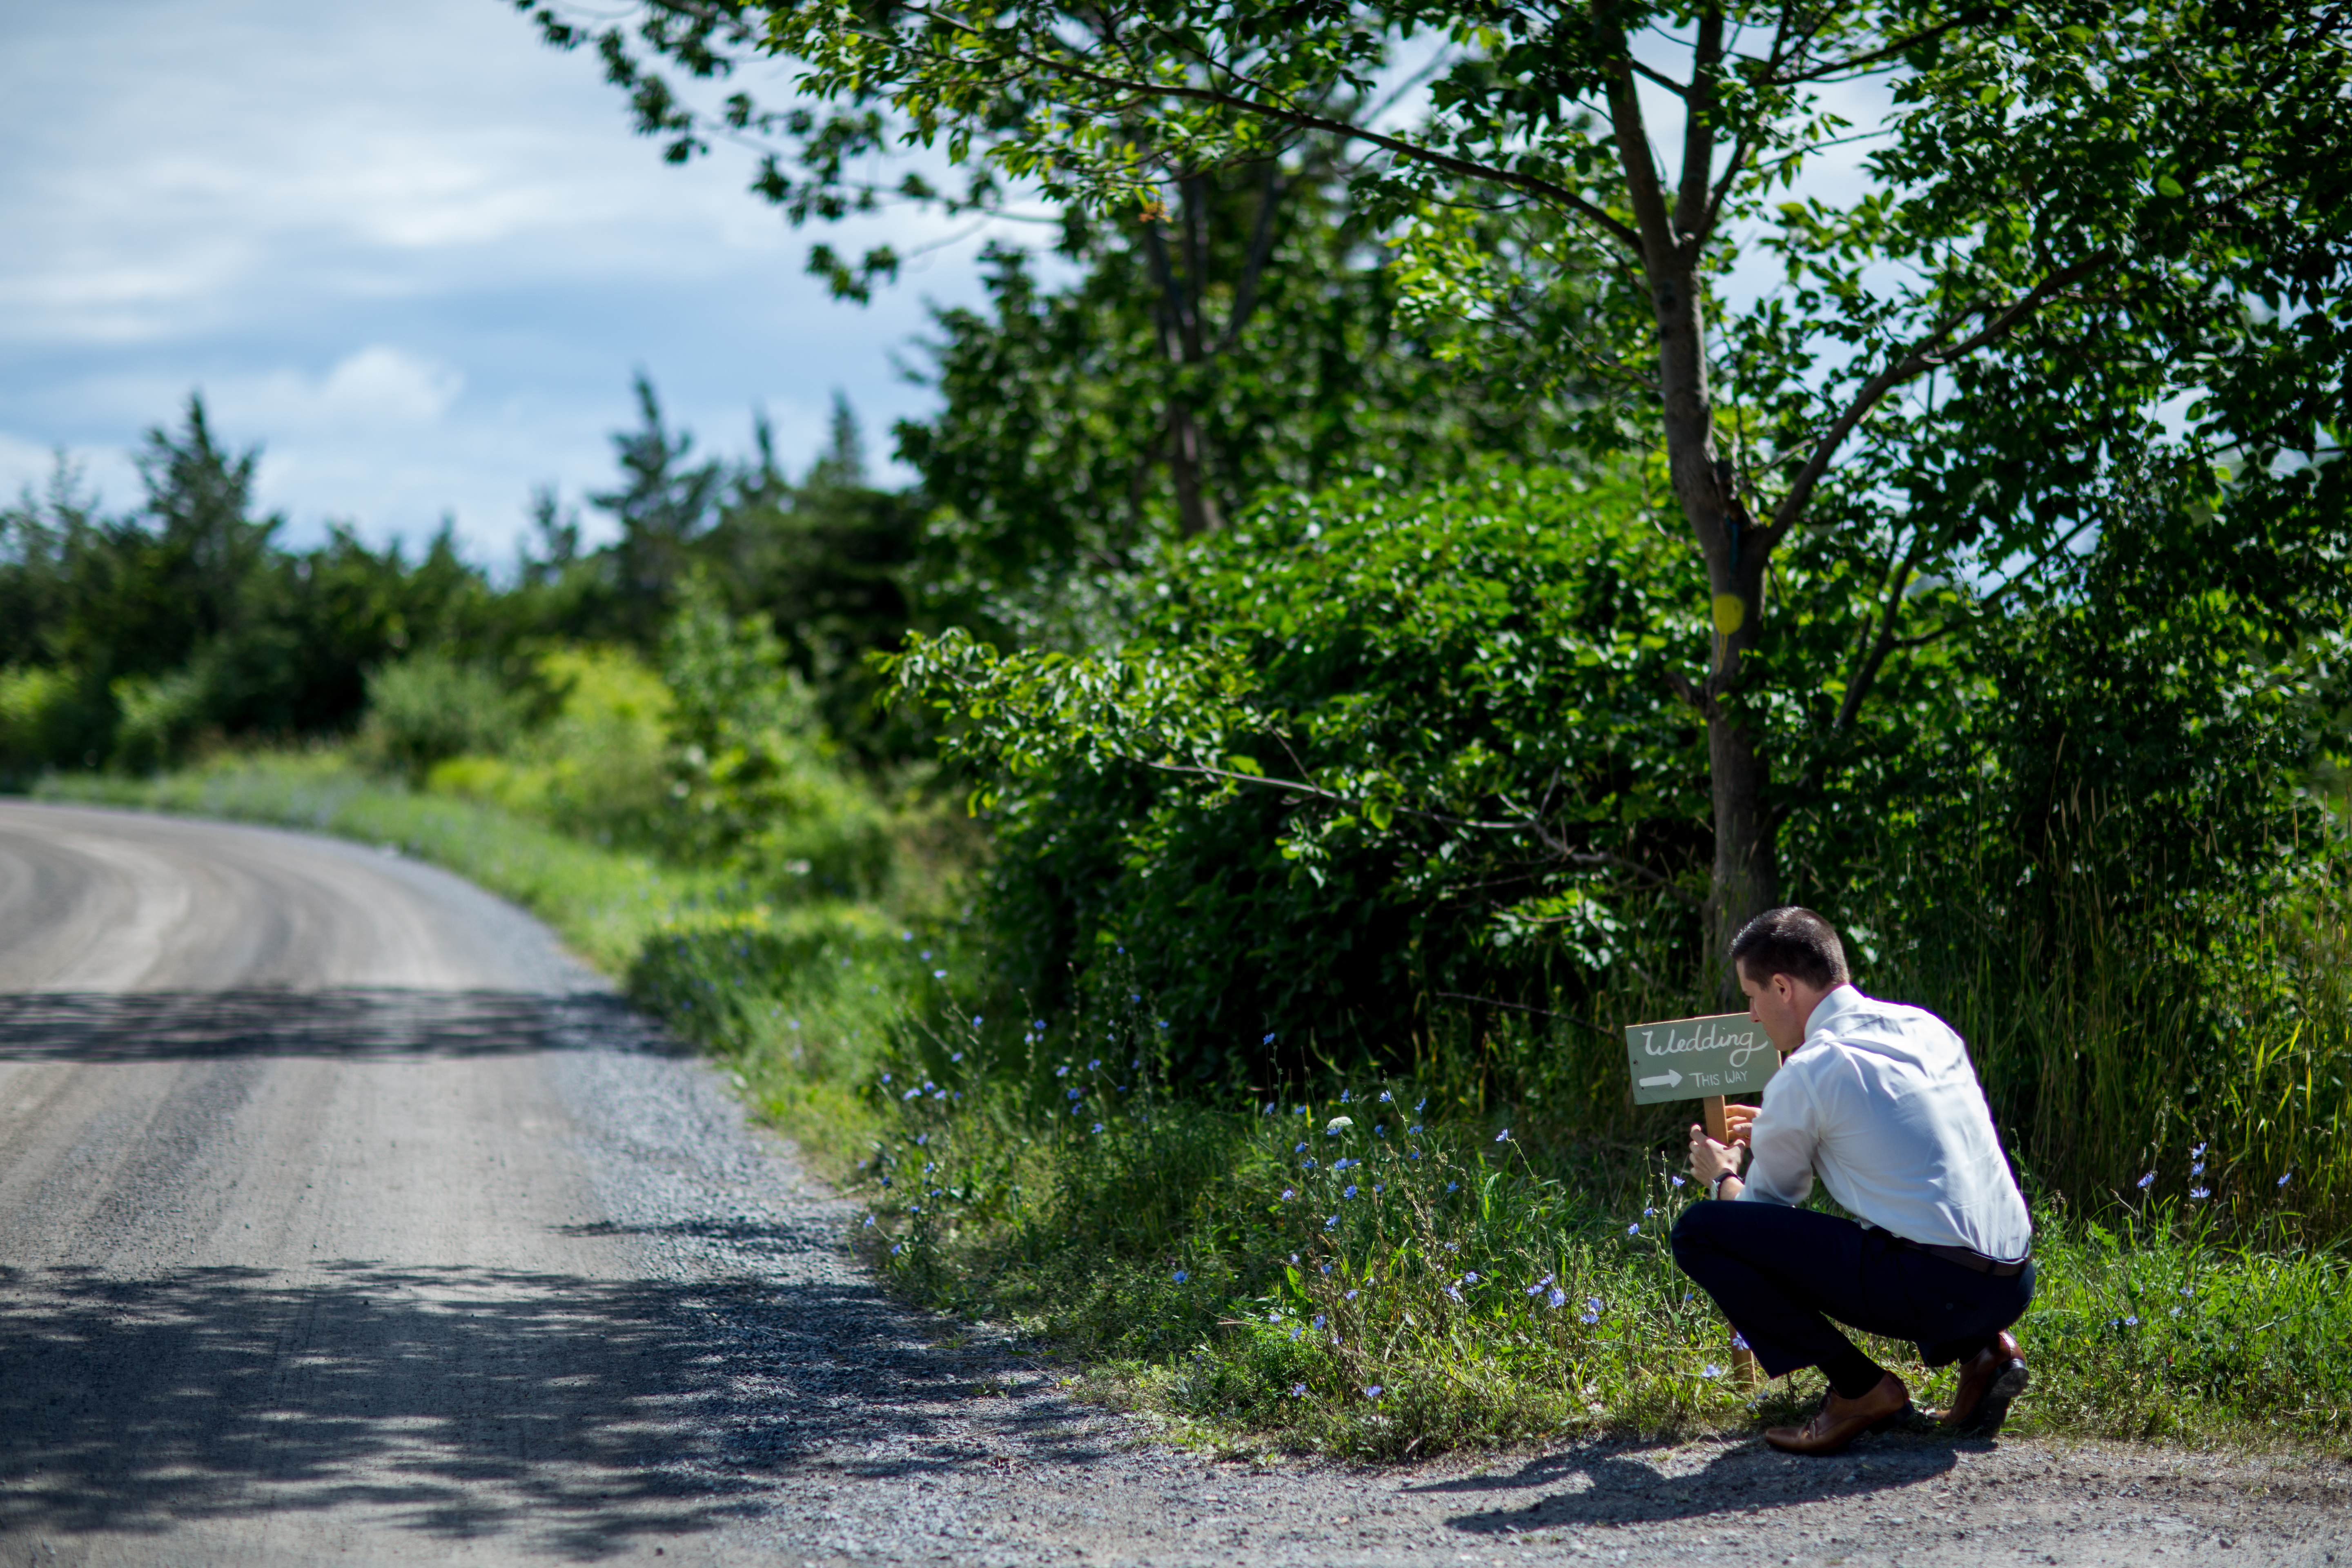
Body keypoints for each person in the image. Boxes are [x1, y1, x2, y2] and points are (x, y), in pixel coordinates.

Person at [1671, 906, 2034, 1456]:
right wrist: (1778, 1126)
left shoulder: (1808, 1072)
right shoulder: (1925, 1026)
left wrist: (1723, 1174)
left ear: (1782, 986)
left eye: (1752, 996)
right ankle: (1986, 1354)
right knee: (1922, 1214)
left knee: (1700, 1230)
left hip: (1938, 1295)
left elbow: (1759, 1219)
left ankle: (1859, 1389)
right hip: (2014, 1280)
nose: (1751, 1014)